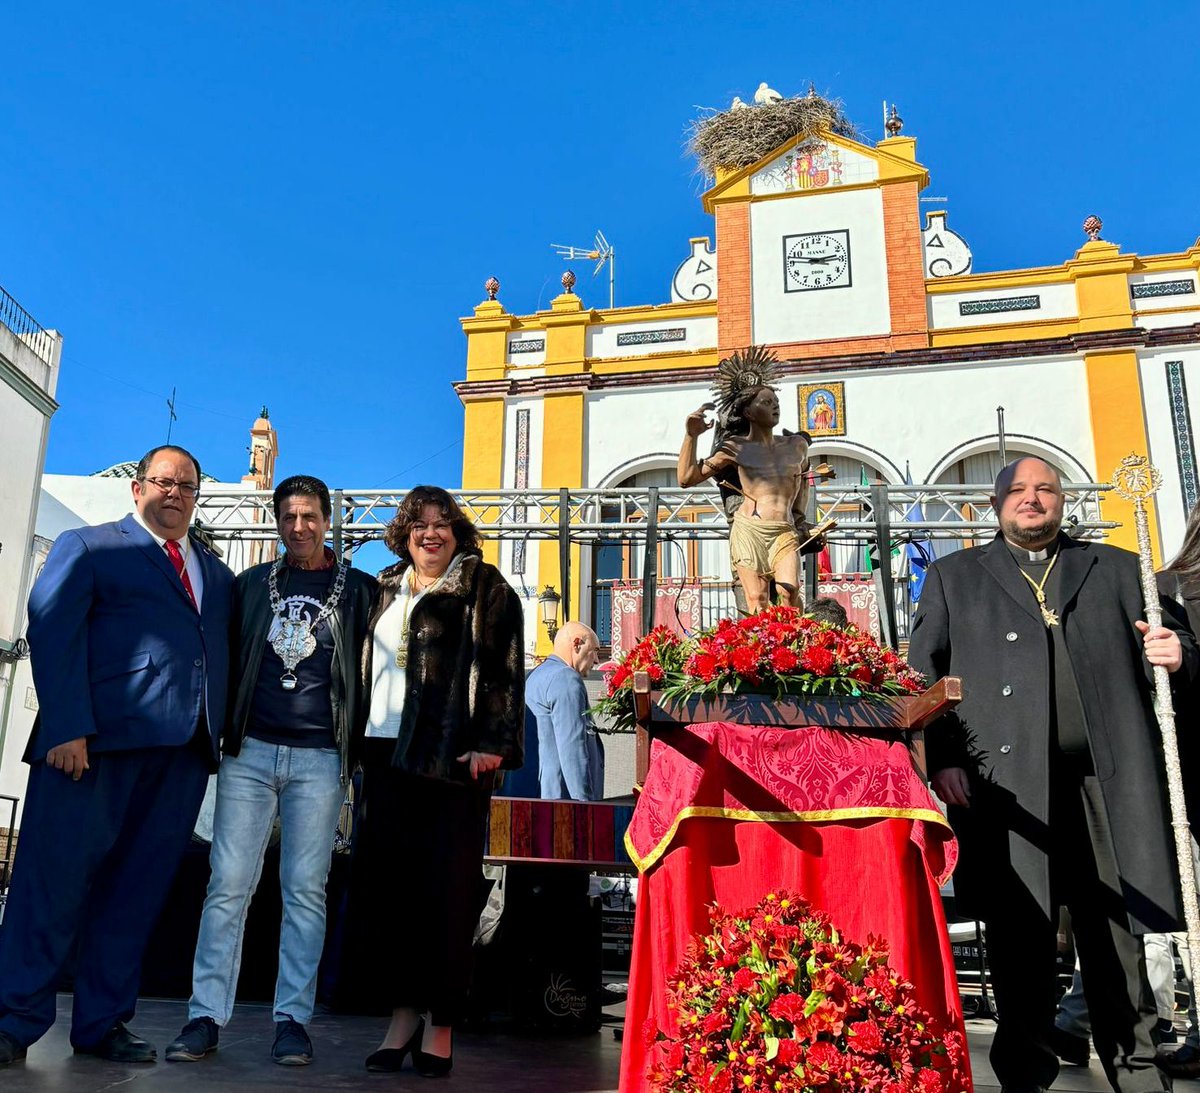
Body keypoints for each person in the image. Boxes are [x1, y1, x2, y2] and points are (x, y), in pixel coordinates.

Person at [908, 455, 1198, 1093]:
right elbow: (922, 678)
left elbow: (1184, 649)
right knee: (1022, 942)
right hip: (1009, 794)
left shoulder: (1119, 569)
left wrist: (1179, 654)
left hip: (1109, 786)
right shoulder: (956, 578)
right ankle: (1024, 1075)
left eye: (1044, 489)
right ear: (995, 503)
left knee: (1117, 939)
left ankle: (1140, 1073)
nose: (1031, 499)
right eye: (1018, 490)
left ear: (1062, 500)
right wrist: (945, 759)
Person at [0, 445, 233, 1067]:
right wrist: (66, 727)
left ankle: (102, 1022)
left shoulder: (216, 574)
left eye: (187, 485)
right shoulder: (89, 547)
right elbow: (51, 629)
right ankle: (13, 1018)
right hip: (92, 750)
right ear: (138, 489)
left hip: (181, 756)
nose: (175, 493)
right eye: (163, 482)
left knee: (134, 894)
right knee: (51, 885)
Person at [165, 475, 376, 1067]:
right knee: (227, 885)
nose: (299, 528)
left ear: (327, 520)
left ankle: (292, 1020)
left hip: (320, 758)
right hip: (250, 752)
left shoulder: (359, 590)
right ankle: (204, 1016)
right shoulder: (252, 585)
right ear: (277, 521)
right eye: (288, 517)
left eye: (310, 516)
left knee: (305, 892)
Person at [346, 485, 524, 1076]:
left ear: (457, 532)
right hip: (383, 755)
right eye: (419, 524)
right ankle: (402, 1016)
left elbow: (502, 669)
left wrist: (493, 744)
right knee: (391, 893)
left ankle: (441, 1023)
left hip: (450, 761)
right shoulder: (384, 587)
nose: (430, 533)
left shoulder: (485, 586)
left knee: (445, 897)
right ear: (404, 532)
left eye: (442, 523)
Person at [677, 346, 818, 611]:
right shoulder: (735, 447)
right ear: (749, 413)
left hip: (783, 529)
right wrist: (691, 436)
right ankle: (758, 651)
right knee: (757, 598)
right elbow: (686, 478)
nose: (774, 406)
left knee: (790, 590)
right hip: (749, 528)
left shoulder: (796, 445)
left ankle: (795, 649)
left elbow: (801, 483)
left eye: (776, 402)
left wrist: (800, 520)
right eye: (766, 402)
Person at [526, 621, 604, 800]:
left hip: (533, 795)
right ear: (577, 644)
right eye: (595, 650)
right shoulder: (565, 677)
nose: (597, 660)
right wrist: (584, 806)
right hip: (561, 803)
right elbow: (573, 748)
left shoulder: (534, 676)